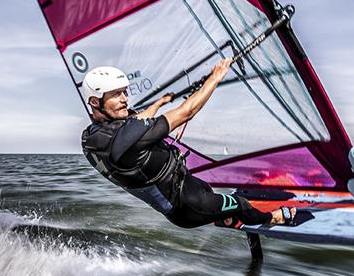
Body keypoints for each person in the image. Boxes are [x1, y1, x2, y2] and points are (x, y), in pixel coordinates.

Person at [81, 59, 295, 229]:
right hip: (190, 206)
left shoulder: (91, 138)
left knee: (210, 192)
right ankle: (272, 219)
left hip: (183, 191)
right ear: (94, 101)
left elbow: (133, 122)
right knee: (240, 203)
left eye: (125, 91)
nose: (125, 99)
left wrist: (159, 103)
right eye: (116, 95)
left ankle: (226, 218)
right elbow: (186, 112)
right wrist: (215, 77)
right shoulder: (130, 142)